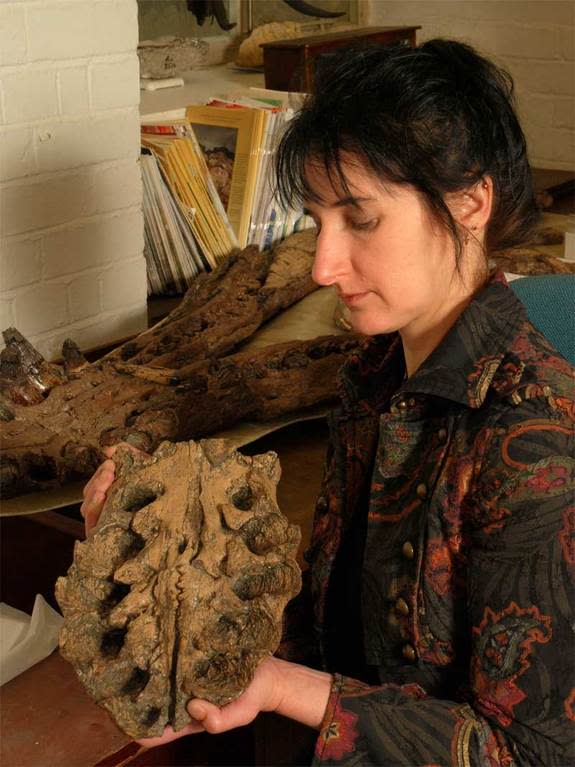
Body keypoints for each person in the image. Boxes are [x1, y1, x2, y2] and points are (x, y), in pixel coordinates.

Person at [82, 40, 574, 765]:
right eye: (319, 219)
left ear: (470, 202)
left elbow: (528, 751)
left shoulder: (535, 435)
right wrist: (155, 533)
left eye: (361, 218)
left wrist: (281, 686)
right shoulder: (374, 376)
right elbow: (330, 622)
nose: (321, 264)